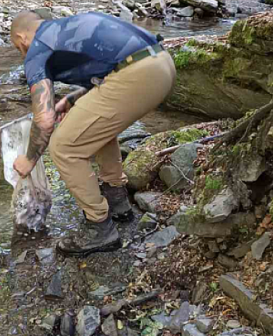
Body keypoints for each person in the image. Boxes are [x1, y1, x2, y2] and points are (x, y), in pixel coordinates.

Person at [10, 10, 176, 257]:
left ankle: (99, 227)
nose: (22, 53)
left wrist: (29, 160)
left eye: (18, 48)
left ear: (22, 38)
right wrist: (71, 99)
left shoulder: (37, 48)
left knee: (64, 147)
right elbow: (111, 65)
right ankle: (117, 199)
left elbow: (44, 121)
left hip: (137, 75)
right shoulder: (67, 28)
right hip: (161, 63)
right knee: (96, 129)